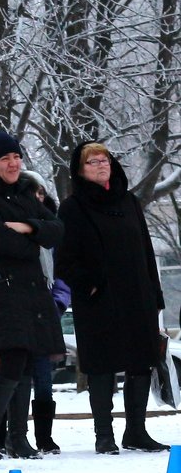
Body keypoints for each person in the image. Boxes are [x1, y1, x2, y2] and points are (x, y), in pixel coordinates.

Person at [0, 131, 65, 460]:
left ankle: (19, 438)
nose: (14, 163)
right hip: (1, 289)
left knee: (30, 360)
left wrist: (28, 227)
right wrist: (31, 237)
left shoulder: (24, 192)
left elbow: (56, 228)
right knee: (13, 357)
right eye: (6, 158)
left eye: (16, 156)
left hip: (30, 290)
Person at [56, 141, 169, 454]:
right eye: (91, 162)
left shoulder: (129, 201)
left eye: (104, 159)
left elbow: (146, 250)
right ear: (80, 170)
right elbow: (65, 258)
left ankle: (136, 431)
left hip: (137, 295)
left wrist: (155, 294)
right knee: (101, 365)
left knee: (140, 362)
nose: (100, 165)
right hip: (99, 299)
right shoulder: (73, 207)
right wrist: (88, 284)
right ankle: (103, 434)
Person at [21, 172, 71, 454]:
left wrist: (58, 303)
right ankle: (15, 434)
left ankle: (45, 436)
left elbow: (63, 273)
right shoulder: (13, 230)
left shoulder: (54, 232)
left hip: (47, 312)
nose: (37, 198)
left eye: (41, 193)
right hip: (20, 310)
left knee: (44, 377)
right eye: (32, 194)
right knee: (17, 376)